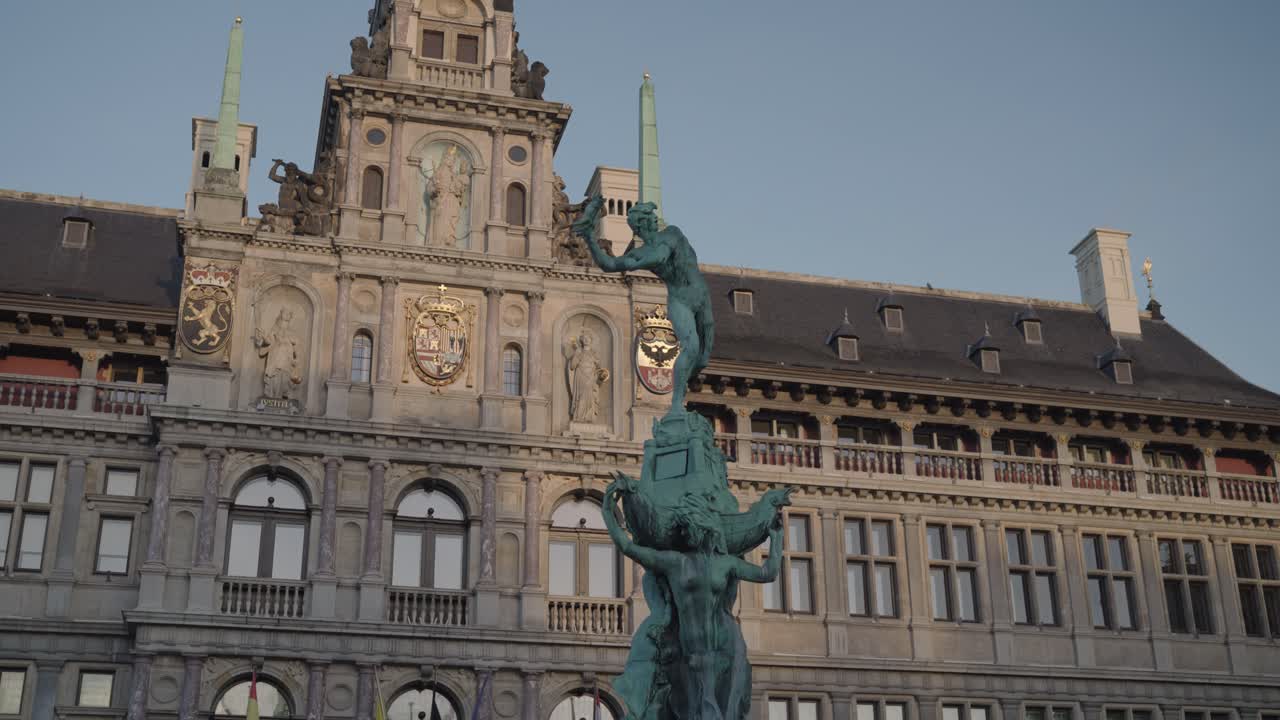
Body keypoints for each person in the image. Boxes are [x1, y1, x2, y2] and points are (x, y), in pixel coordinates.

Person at [603, 481, 787, 720]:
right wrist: (607, 512)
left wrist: (777, 539)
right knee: (698, 707)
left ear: (706, 529)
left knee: (726, 706)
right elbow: (627, 546)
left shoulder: (725, 563)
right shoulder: (675, 562)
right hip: (689, 645)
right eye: (686, 527)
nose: (689, 532)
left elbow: (767, 573)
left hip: (726, 641)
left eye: (693, 526)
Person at [572, 196, 712, 418]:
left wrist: (651, 257)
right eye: (644, 223)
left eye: (649, 220)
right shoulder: (643, 253)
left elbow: (663, 252)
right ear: (641, 226)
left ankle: (681, 388)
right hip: (680, 301)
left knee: (703, 358)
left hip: (701, 296)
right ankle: (677, 404)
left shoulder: (671, 234)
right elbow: (610, 265)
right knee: (691, 348)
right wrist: (589, 238)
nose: (649, 224)